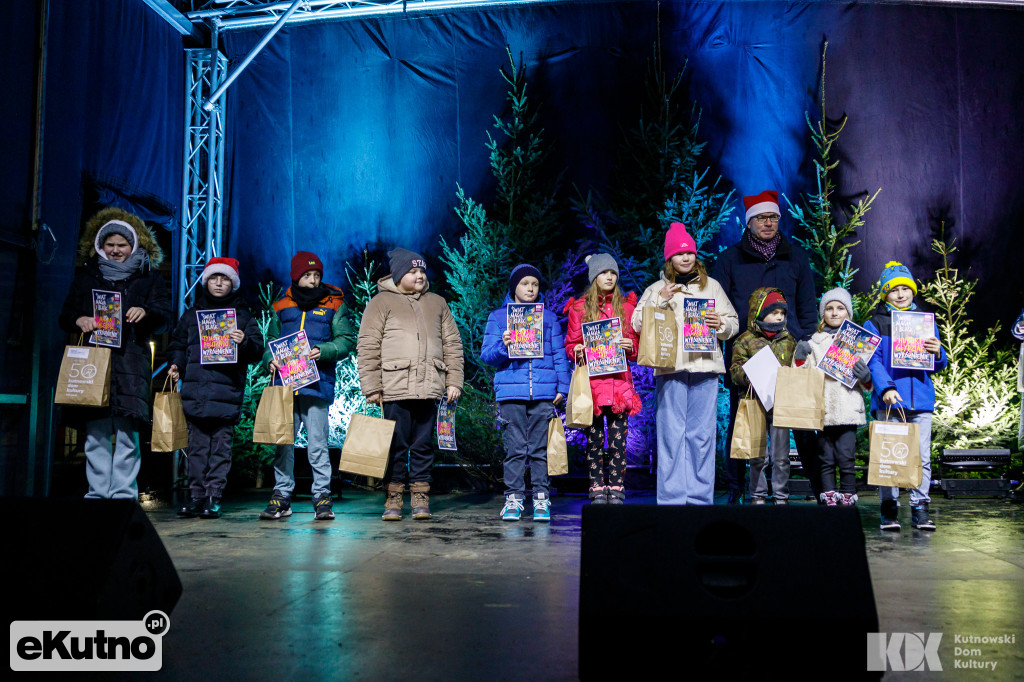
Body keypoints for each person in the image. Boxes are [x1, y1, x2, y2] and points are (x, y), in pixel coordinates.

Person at [58, 207, 172, 499]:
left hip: (131, 360)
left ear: (134, 245)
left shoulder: (149, 278)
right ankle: (97, 494)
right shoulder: (86, 276)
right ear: (100, 245)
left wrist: (145, 311)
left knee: (126, 430)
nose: (116, 250)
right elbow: (66, 313)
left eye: (122, 244)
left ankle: (123, 494)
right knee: (95, 430)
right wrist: (78, 319)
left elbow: (164, 317)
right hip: (94, 361)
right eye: (110, 244)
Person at [713, 190, 818, 503]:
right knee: (741, 420)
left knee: (799, 422)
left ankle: (818, 488)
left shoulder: (795, 256)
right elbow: (720, 304)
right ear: (750, 222)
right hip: (748, 353)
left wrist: (807, 339)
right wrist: (733, 344)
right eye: (761, 217)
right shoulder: (730, 259)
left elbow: (807, 304)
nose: (768, 223)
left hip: (789, 350)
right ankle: (736, 489)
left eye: (773, 217)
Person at [631, 223, 739, 505]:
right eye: (680, 254)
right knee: (671, 435)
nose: (686, 258)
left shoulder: (711, 286)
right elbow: (637, 323)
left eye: (690, 253)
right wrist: (659, 299)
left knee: (702, 436)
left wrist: (721, 324)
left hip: (705, 368)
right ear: (670, 259)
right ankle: (671, 500)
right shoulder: (657, 288)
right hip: (671, 369)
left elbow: (733, 322)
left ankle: (700, 499)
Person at [357, 248, 464, 521]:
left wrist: (453, 381)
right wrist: (372, 386)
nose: (419, 275)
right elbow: (368, 346)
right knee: (396, 444)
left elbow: (452, 344)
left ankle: (420, 496)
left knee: (423, 445)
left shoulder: (437, 303)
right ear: (398, 275)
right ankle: (393, 497)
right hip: (395, 387)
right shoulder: (380, 303)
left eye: (422, 270)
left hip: (429, 388)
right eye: (412, 271)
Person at [260, 251, 355, 521]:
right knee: (283, 442)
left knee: (317, 444)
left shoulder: (334, 303)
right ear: (296, 276)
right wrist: (270, 360)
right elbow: (270, 341)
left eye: (316, 275)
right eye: (307, 275)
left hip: (316, 384)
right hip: (285, 386)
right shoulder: (281, 304)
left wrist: (322, 350)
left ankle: (322, 497)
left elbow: (347, 340)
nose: (313, 281)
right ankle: (281, 496)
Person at [167, 257, 264, 518]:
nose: (219, 283)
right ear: (206, 281)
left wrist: (244, 342)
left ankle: (213, 496)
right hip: (196, 393)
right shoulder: (191, 315)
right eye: (214, 278)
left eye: (224, 279)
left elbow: (258, 350)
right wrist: (176, 365)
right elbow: (177, 344)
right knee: (197, 448)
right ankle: (197, 495)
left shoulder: (242, 317)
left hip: (226, 392)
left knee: (220, 448)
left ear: (232, 284)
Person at [481, 264, 571, 521]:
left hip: (543, 392)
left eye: (534, 284)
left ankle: (542, 498)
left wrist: (562, 388)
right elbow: (487, 355)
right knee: (515, 449)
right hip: (512, 393)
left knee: (540, 449)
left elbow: (558, 355)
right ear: (514, 287)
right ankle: (514, 498)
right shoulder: (499, 318)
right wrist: (503, 345)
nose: (530, 288)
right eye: (524, 283)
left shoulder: (549, 318)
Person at [863, 262, 946, 531]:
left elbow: (938, 363)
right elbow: (872, 361)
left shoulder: (925, 322)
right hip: (890, 400)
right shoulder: (875, 322)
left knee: (922, 456)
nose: (900, 294)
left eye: (905, 289)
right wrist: (886, 388)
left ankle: (920, 507)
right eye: (893, 290)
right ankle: (889, 508)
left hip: (920, 400)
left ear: (912, 291)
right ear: (885, 294)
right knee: (889, 455)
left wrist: (938, 352)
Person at [564, 254, 642, 504]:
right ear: (594, 277)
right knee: (595, 440)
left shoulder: (628, 308)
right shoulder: (579, 308)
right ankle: (597, 486)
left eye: (613, 273)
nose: (609, 277)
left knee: (619, 442)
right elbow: (571, 344)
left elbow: (638, 349)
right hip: (593, 387)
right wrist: (575, 350)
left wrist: (631, 345)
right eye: (603, 273)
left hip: (619, 385)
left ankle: (617, 486)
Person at [792, 288, 872, 506]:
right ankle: (828, 494)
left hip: (848, 409)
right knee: (825, 458)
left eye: (840, 308)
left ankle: (848, 494)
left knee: (846, 457)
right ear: (822, 313)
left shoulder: (859, 342)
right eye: (829, 308)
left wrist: (866, 378)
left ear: (848, 313)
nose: (835, 313)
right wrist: (800, 358)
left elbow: (866, 384)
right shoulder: (815, 342)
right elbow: (801, 376)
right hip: (824, 409)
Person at [728, 287, 797, 504]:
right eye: (774, 311)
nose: (779, 316)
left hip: (780, 404)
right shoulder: (745, 340)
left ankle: (781, 495)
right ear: (759, 312)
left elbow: (797, 370)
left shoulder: (788, 340)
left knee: (781, 456)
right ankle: (757, 494)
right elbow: (734, 370)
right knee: (758, 455)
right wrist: (749, 375)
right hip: (754, 402)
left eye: (782, 313)